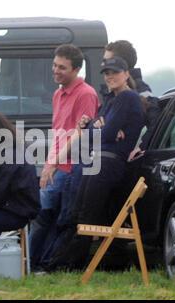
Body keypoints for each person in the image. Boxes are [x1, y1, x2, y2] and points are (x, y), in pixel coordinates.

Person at [46, 56, 145, 271]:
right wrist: (96, 127)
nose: (110, 76)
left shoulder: (128, 97)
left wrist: (98, 129)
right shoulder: (112, 100)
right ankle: (64, 263)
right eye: (107, 73)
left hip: (108, 165)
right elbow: (91, 131)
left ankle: (68, 265)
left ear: (126, 74)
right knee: (78, 213)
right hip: (98, 162)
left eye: (115, 72)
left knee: (84, 216)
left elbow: (102, 133)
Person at [29, 44, 99, 271]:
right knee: (47, 216)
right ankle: (37, 263)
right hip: (57, 165)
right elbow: (59, 132)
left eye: (62, 67)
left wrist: (52, 165)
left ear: (77, 69)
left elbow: (79, 134)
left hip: (70, 168)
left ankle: (34, 263)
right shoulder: (58, 94)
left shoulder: (86, 94)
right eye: (54, 65)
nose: (55, 71)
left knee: (46, 214)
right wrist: (50, 163)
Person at [102, 40, 161, 161]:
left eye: (106, 61)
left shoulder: (141, 91)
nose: (103, 65)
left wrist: (142, 147)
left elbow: (155, 121)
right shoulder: (113, 91)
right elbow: (98, 121)